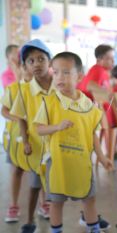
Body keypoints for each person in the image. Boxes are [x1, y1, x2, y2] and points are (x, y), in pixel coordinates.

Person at [33, 51, 113, 233]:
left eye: (66, 72)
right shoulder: (49, 102)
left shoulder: (88, 105)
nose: (60, 77)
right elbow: (38, 129)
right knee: (56, 202)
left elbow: (92, 132)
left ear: (80, 76)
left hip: (82, 162)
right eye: (56, 72)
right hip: (58, 163)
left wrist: (101, 156)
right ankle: (56, 230)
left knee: (89, 198)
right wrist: (56, 127)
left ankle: (93, 228)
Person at [10, 39, 55, 233]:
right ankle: (29, 221)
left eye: (41, 59)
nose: (36, 63)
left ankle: (80, 219)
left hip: (58, 145)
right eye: (30, 61)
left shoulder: (59, 85)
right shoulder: (24, 90)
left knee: (61, 186)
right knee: (35, 186)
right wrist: (26, 141)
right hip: (38, 146)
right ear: (25, 66)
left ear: (50, 61)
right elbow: (20, 118)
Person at [1, 62, 32, 223]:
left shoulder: (42, 90)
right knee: (17, 171)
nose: (29, 70)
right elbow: (4, 110)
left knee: (38, 172)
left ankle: (44, 204)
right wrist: (19, 117)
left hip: (35, 138)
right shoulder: (13, 89)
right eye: (25, 66)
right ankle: (13, 205)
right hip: (16, 138)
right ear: (19, 69)